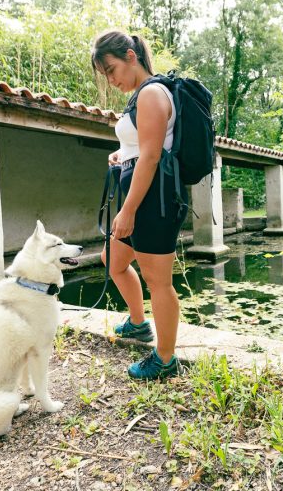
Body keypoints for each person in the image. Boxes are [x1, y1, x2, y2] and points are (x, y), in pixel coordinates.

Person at [91, 30, 188, 380]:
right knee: (113, 259)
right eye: (106, 74)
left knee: (158, 280)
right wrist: (122, 154)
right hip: (141, 193)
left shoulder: (151, 94)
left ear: (131, 57)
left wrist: (128, 209)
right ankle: (137, 322)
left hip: (154, 199)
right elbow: (142, 149)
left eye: (112, 69)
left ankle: (165, 358)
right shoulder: (139, 97)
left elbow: (150, 157)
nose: (111, 79)